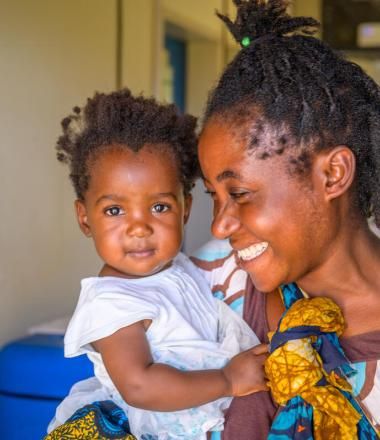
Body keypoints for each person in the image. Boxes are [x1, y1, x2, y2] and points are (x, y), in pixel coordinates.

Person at [194, 0, 380, 438]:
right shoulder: (207, 290)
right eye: (214, 197)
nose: (219, 225)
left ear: (332, 174)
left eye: (238, 193)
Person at [45, 89, 267, 440]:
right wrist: (227, 380)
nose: (139, 227)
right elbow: (139, 384)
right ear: (85, 219)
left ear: (186, 209)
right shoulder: (110, 302)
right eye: (115, 210)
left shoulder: (182, 268)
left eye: (160, 207)